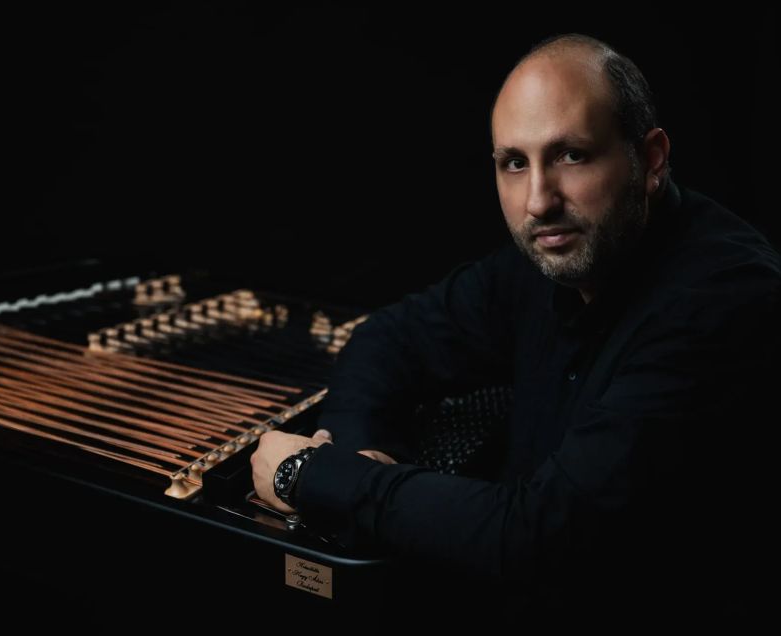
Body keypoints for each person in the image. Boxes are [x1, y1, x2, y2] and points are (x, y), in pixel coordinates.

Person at [251, 34, 779, 625]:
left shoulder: (724, 300)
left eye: (571, 155)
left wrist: (311, 475)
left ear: (651, 159)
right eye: (515, 163)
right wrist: (356, 455)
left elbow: (544, 537)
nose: (538, 201)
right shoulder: (551, 259)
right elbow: (389, 339)